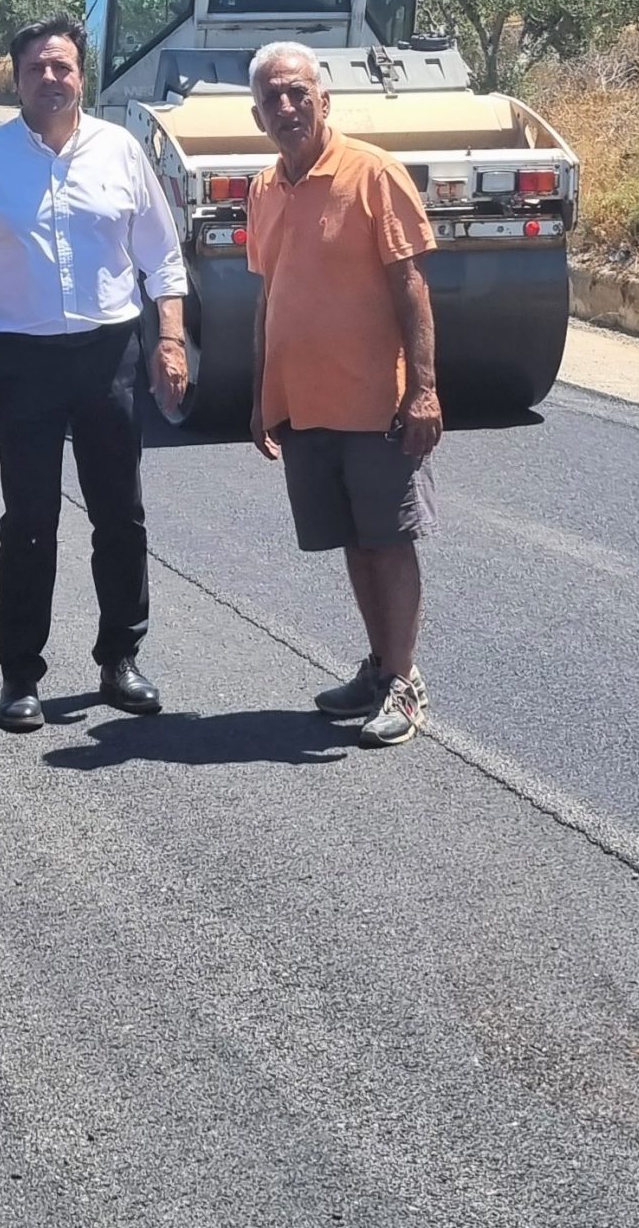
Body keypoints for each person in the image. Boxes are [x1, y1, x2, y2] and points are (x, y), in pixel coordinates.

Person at [0, 15, 189, 731]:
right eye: (36, 68)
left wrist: (170, 341)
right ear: (15, 78)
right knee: (28, 520)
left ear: (82, 74)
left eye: (63, 67)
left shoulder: (120, 150)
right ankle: (20, 674)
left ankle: (120, 658)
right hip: (23, 360)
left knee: (120, 514)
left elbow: (161, 256)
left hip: (111, 355)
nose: (50, 78)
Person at [244, 41, 443, 748]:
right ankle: (379, 668)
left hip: (376, 402)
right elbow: (270, 295)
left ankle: (406, 682)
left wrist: (424, 389)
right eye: (272, 98)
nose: (287, 106)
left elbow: (411, 286)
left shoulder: (373, 173)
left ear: (324, 99)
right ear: (257, 115)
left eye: (298, 92)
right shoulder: (264, 189)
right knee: (355, 541)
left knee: (388, 541)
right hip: (306, 405)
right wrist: (260, 393)